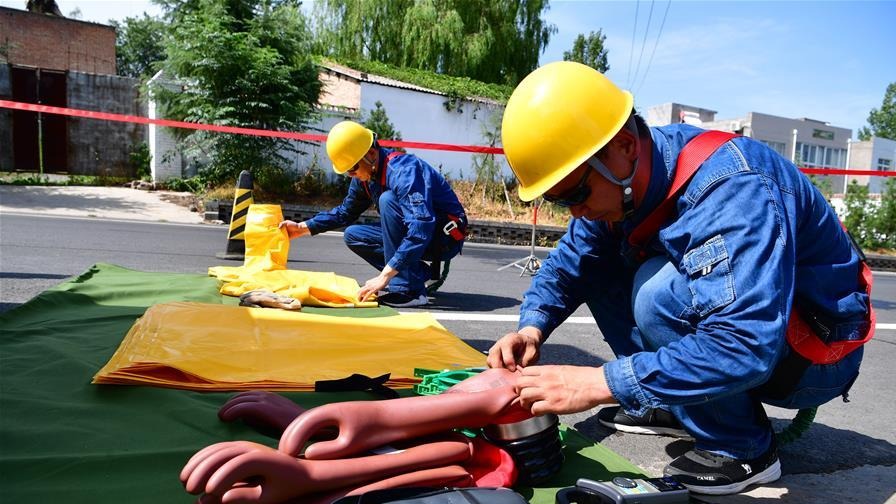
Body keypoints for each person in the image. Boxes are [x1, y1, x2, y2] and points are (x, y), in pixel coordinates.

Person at [487, 61, 872, 495]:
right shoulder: (622, 182)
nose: (575, 211)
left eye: (576, 193)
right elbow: (568, 264)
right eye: (560, 202)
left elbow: (745, 344)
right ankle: (679, 400)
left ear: (626, 147)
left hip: (815, 352)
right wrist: (531, 328)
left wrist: (602, 382)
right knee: (598, 265)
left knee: (658, 293)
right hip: (769, 338)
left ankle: (742, 448)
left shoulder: (732, 189)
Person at [280, 121, 468, 308]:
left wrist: (384, 277)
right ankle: (415, 274)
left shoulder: (404, 172)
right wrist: (303, 227)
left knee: (387, 200)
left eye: (353, 168)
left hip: (443, 239)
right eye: (347, 171)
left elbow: (421, 227)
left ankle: (410, 291)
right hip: (420, 235)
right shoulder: (364, 176)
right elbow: (345, 213)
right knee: (353, 235)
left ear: (371, 153)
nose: (351, 175)